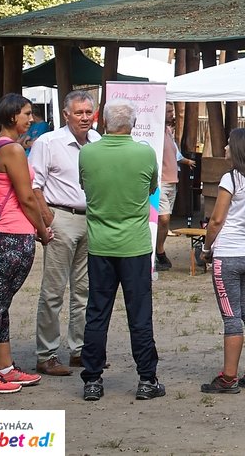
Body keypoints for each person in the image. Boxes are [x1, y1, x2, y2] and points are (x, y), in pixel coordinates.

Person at [78, 99, 163, 403]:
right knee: (139, 314)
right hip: (135, 244)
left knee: (97, 312)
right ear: (133, 123)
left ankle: (92, 380)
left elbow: (85, 186)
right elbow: (152, 188)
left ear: (104, 121)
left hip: (100, 244)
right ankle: (146, 378)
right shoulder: (144, 153)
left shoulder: (87, 153)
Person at [0, 94, 52, 395]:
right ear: (11, 118)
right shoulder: (14, 149)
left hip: (1, 232)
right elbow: (27, 197)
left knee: (0, 304)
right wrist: (43, 231)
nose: (30, 119)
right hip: (13, 236)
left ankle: (4, 368)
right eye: (26, 114)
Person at [31, 90, 100, 376]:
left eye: (88, 112)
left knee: (84, 290)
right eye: (79, 112)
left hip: (92, 219)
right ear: (66, 114)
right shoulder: (48, 142)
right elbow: (34, 185)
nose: (84, 118)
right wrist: (45, 218)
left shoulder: (98, 142)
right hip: (61, 217)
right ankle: (46, 354)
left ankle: (79, 350)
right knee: (54, 290)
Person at [201, 128, 245, 394]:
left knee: (231, 318)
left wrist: (206, 248)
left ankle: (228, 378)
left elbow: (216, 220)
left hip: (227, 254)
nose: (226, 149)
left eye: (229, 145)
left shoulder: (230, 179)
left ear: (239, 150)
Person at [155, 102, 195, 271]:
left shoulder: (168, 132)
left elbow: (175, 154)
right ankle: (159, 252)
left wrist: (187, 161)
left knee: (165, 219)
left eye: (172, 111)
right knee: (163, 219)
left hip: (172, 181)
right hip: (161, 182)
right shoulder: (156, 132)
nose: (172, 114)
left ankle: (159, 250)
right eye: (169, 111)